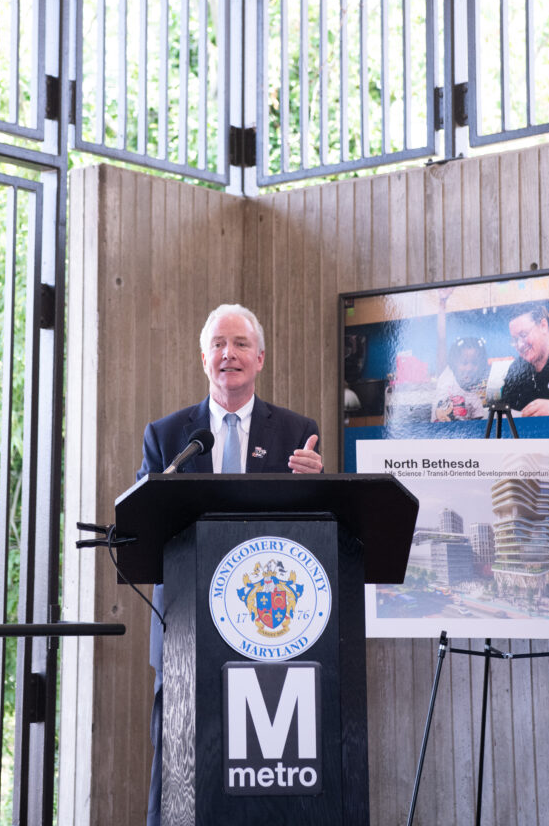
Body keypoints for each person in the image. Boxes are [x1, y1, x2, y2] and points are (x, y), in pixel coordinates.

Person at [137, 303, 323, 826]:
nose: (229, 354)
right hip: (185, 627)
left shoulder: (296, 432)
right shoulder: (167, 436)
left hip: (270, 627)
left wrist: (317, 481)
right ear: (203, 358)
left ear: (260, 358)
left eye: (240, 344)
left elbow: (312, 534)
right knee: (179, 765)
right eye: (218, 344)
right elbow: (144, 527)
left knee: (265, 764)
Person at [501, 305, 549, 416]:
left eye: (524, 335)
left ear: (543, 326)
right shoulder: (516, 370)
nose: (520, 344)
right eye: (515, 339)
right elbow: (503, 408)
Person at [431, 337, 488, 422]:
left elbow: (478, 425)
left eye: (474, 363)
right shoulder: (447, 387)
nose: (469, 368)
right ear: (454, 364)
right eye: (464, 363)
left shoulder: (474, 394)